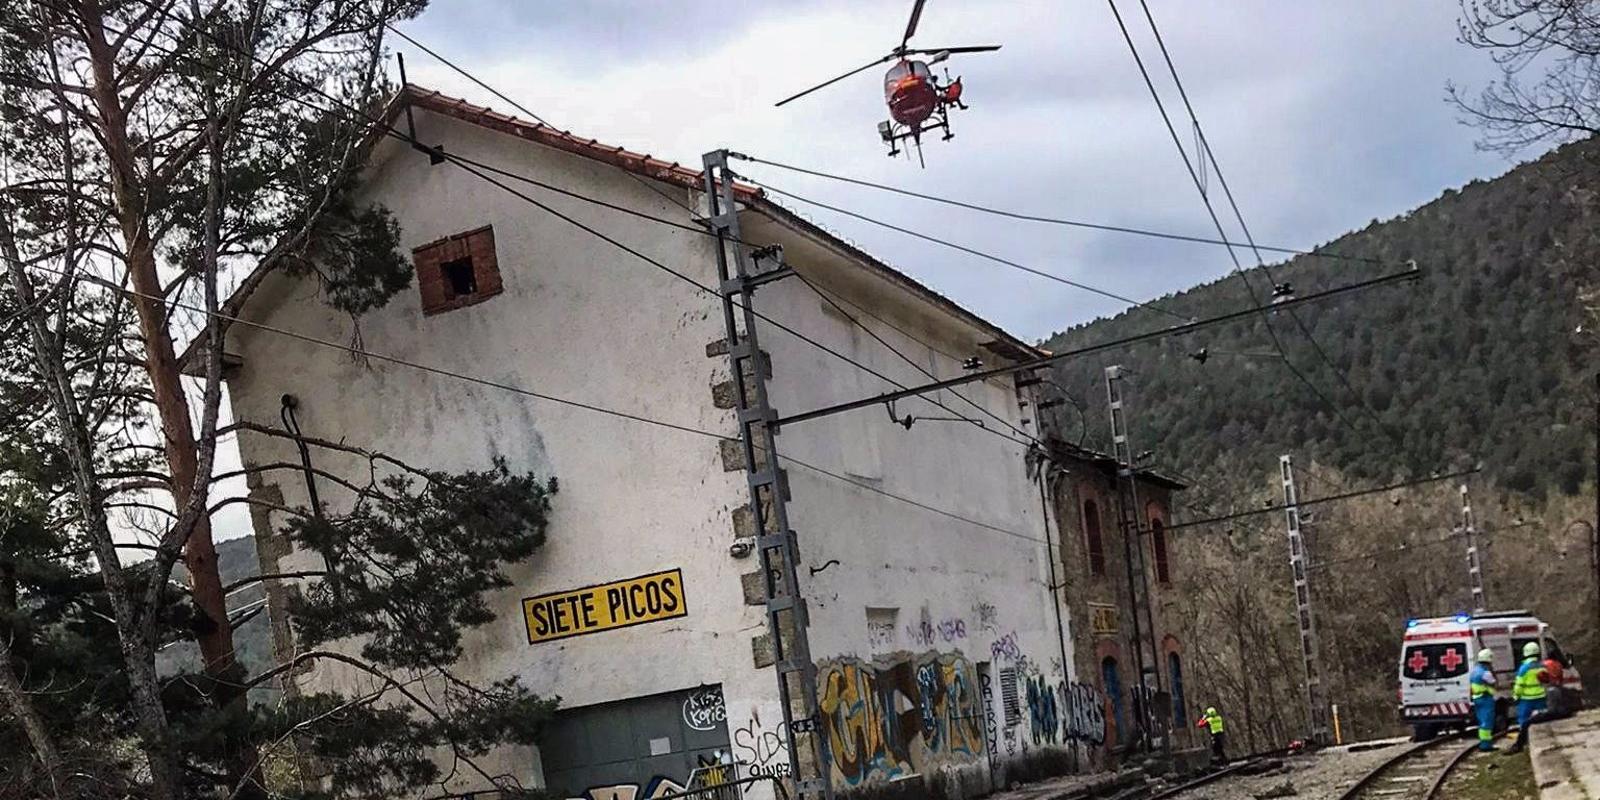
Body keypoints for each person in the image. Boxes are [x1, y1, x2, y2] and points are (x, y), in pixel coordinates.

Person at [1506, 641, 1549, 753]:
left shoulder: (1524, 668)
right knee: (1541, 719)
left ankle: (1524, 742)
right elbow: (1546, 680)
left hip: (1527, 699)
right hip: (1540, 696)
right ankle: (1543, 740)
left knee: (1524, 721)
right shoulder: (1542, 665)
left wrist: (1516, 696)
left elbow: (1519, 685)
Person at [1468, 648, 1498, 752]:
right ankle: (1486, 745)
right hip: (1486, 699)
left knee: (1482, 722)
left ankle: (1484, 743)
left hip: (1477, 698)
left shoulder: (1474, 671)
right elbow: (1493, 682)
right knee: (1487, 722)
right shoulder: (1486, 673)